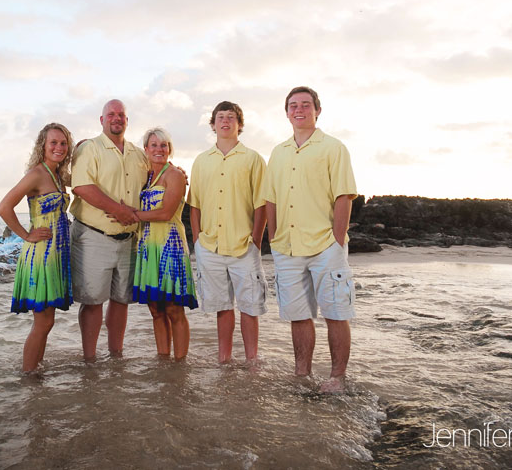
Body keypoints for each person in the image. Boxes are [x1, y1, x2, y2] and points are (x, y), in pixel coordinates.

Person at [263, 86, 358, 393]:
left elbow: (344, 195)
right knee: (298, 315)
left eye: (305, 104)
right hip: (287, 247)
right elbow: (271, 199)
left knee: (335, 314)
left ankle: (336, 378)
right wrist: (274, 237)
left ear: (318, 110)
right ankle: (301, 373)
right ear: (287, 112)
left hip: (325, 247)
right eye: (293, 105)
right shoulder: (278, 152)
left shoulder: (333, 148)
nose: (299, 109)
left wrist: (337, 240)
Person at [188, 101, 267, 364]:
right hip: (210, 246)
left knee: (250, 307)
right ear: (212, 124)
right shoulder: (201, 161)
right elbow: (195, 205)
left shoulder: (253, 159)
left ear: (239, 124)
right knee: (222, 307)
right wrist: (197, 239)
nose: (225, 121)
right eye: (220, 117)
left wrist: (255, 241)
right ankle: (224, 359)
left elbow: (261, 204)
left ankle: (252, 361)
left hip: (244, 246)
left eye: (231, 117)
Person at [69, 99, 148, 359]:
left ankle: (116, 355)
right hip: (93, 236)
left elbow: (154, 178)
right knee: (92, 301)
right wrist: (118, 210)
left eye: (121, 115)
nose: (117, 118)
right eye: (111, 114)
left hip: (129, 240)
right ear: (101, 120)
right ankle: (89, 359)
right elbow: (81, 186)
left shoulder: (138, 154)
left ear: (127, 120)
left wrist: (176, 172)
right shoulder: (89, 149)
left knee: (121, 300)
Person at [0, 123, 74, 372]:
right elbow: (4, 207)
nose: (59, 147)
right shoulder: (36, 174)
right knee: (42, 323)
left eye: (63, 143)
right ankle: (28, 377)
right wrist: (25, 235)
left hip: (57, 254)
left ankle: (35, 372)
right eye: (53, 142)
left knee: (47, 322)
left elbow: (90, 177)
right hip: (41, 254)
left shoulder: (58, 175)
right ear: (43, 145)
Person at [130, 128, 198, 360]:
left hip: (170, 247)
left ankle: (180, 364)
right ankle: (163, 361)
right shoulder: (144, 176)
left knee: (172, 308)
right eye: (154, 145)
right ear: (146, 149)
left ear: (169, 149)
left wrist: (132, 215)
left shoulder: (175, 175)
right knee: (156, 310)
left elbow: (167, 212)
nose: (159, 149)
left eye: (164, 145)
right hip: (148, 247)